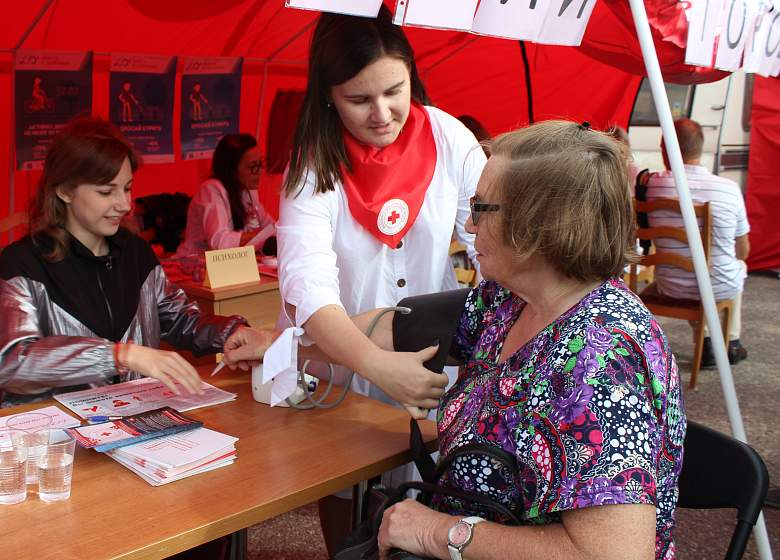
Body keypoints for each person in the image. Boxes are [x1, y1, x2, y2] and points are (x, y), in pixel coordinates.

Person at [228, 121, 685, 559]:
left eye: (482, 208)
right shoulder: (512, 302)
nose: (469, 226)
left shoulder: (599, 361)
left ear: (541, 224)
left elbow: (615, 553)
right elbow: (395, 325)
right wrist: (280, 344)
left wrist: (438, 532)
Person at [270, 5, 486, 552]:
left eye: (395, 90)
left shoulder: (449, 138)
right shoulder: (312, 165)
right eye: (358, 100)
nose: (383, 113)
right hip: (341, 347)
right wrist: (374, 364)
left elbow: (494, 240)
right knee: (342, 485)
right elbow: (308, 289)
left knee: (425, 483)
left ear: (413, 73)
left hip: (429, 342)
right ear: (327, 94)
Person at [0, 117, 254, 408]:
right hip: (59, 436)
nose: (124, 204)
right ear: (63, 190)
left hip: (134, 418)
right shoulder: (25, 262)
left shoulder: (136, 252)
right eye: (106, 192)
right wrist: (118, 355)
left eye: (127, 188)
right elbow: (12, 362)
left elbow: (178, 318)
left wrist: (232, 333)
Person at [645, 118, 750, 365]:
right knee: (735, 268)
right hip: (718, 284)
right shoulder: (729, 189)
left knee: (692, 273)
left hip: (672, 285)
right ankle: (729, 341)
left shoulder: (652, 185)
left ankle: (707, 340)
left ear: (665, 148)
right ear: (701, 147)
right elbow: (743, 250)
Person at [176, 133, 276, 257]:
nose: (260, 171)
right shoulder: (211, 189)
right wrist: (261, 235)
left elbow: (270, 226)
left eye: (261, 163)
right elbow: (219, 241)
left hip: (228, 268)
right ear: (232, 170)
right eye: (253, 166)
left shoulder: (248, 190)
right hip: (195, 265)